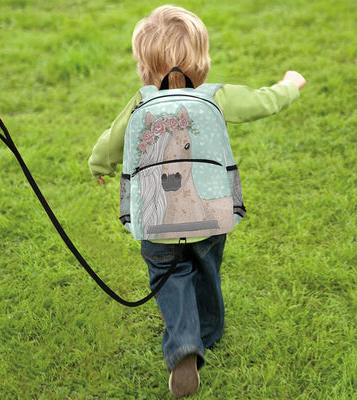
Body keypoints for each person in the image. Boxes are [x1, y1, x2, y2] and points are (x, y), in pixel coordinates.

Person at [89, 5, 306, 398]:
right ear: (202, 60)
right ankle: (209, 332)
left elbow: (111, 142)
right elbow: (263, 102)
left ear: (143, 65)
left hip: (156, 220)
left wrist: (98, 164)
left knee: (168, 278)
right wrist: (290, 83)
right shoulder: (216, 96)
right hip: (210, 213)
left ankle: (185, 344)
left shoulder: (140, 101)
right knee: (206, 267)